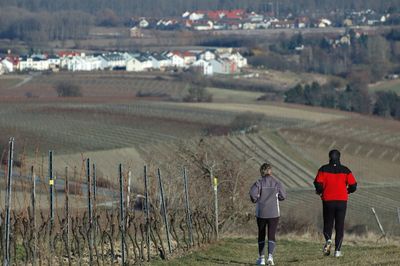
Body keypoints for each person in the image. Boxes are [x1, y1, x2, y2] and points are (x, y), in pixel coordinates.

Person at [314, 149, 357, 258]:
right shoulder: (346, 170)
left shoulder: (323, 169)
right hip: (342, 201)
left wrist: (320, 192)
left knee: (328, 224)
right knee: (340, 226)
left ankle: (328, 240)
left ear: (329, 157)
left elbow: (318, 184)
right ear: (339, 157)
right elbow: (354, 185)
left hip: (328, 200)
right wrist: (348, 191)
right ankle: (337, 251)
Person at [250, 163, 286, 266]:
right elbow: (283, 196)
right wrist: (278, 198)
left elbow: (253, 194)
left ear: (262, 172)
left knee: (261, 234)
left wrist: (256, 199)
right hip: (274, 213)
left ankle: (261, 259)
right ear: (270, 171)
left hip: (261, 212)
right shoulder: (277, 183)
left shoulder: (259, 183)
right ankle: (270, 257)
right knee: (271, 234)